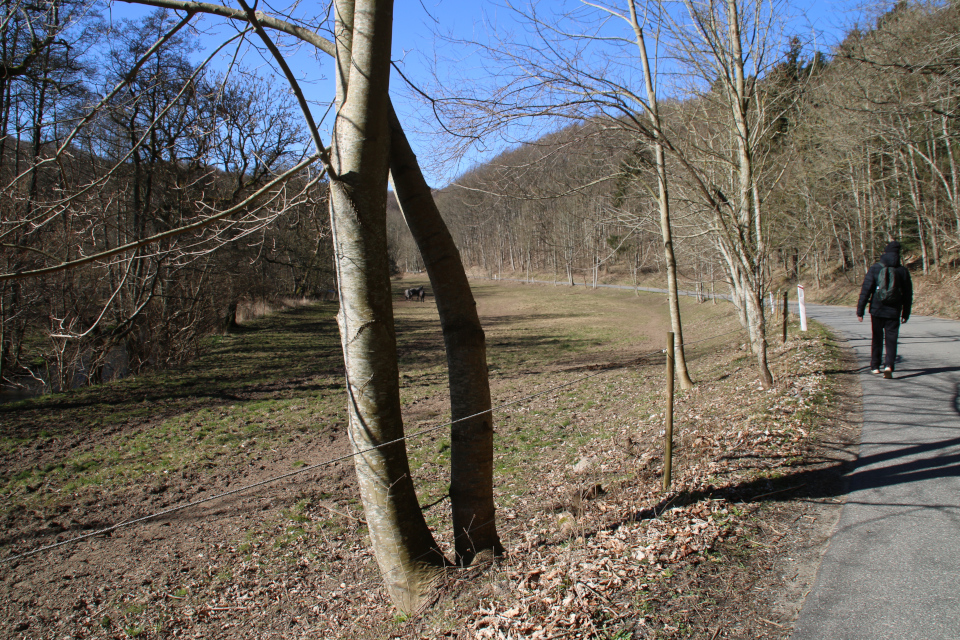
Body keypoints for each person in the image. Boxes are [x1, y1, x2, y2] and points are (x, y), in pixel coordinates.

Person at [856, 241, 913, 379]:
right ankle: (889, 366)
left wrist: (860, 309)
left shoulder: (876, 268)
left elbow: (866, 289)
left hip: (877, 309)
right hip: (894, 310)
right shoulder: (902, 271)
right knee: (892, 339)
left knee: (877, 338)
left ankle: (875, 366)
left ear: (885, 252)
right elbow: (907, 294)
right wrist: (906, 312)